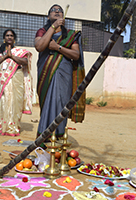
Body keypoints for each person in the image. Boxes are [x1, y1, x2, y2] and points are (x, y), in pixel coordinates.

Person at [35, 4, 86, 146]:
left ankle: (58, 137)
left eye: (60, 11)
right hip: (46, 72)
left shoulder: (70, 35)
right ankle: (43, 137)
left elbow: (76, 55)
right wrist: (53, 27)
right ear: (48, 16)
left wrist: (57, 47)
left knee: (60, 102)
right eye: (54, 10)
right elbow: (39, 47)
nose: (57, 12)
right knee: (46, 103)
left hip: (64, 72)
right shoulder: (42, 31)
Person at [0, 29, 33, 136]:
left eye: (11, 36)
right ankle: (2, 127)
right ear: (4, 38)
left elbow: (25, 62)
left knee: (16, 103)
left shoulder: (19, 51)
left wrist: (12, 56)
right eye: (7, 35)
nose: (9, 37)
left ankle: (13, 127)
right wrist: (5, 56)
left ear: (14, 38)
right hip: (3, 80)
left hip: (16, 78)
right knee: (4, 102)